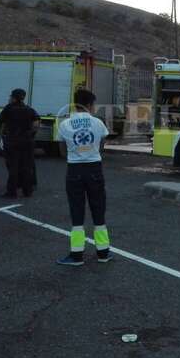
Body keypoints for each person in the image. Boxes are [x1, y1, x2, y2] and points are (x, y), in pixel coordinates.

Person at [56, 89, 111, 266]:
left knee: (77, 211)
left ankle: (76, 255)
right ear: (89, 105)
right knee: (98, 210)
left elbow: (62, 150)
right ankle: (103, 253)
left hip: (74, 169)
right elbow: (101, 146)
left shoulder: (65, 124)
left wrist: (76, 155)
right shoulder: (98, 123)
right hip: (94, 168)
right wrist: (90, 153)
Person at [0, 88, 39, 198]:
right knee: (27, 166)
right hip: (27, 142)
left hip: (13, 142)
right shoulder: (29, 109)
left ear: (13, 97)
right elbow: (36, 124)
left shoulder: (9, 109)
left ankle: (12, 192)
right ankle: (27, 191)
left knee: (13, 167)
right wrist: (30, 134)